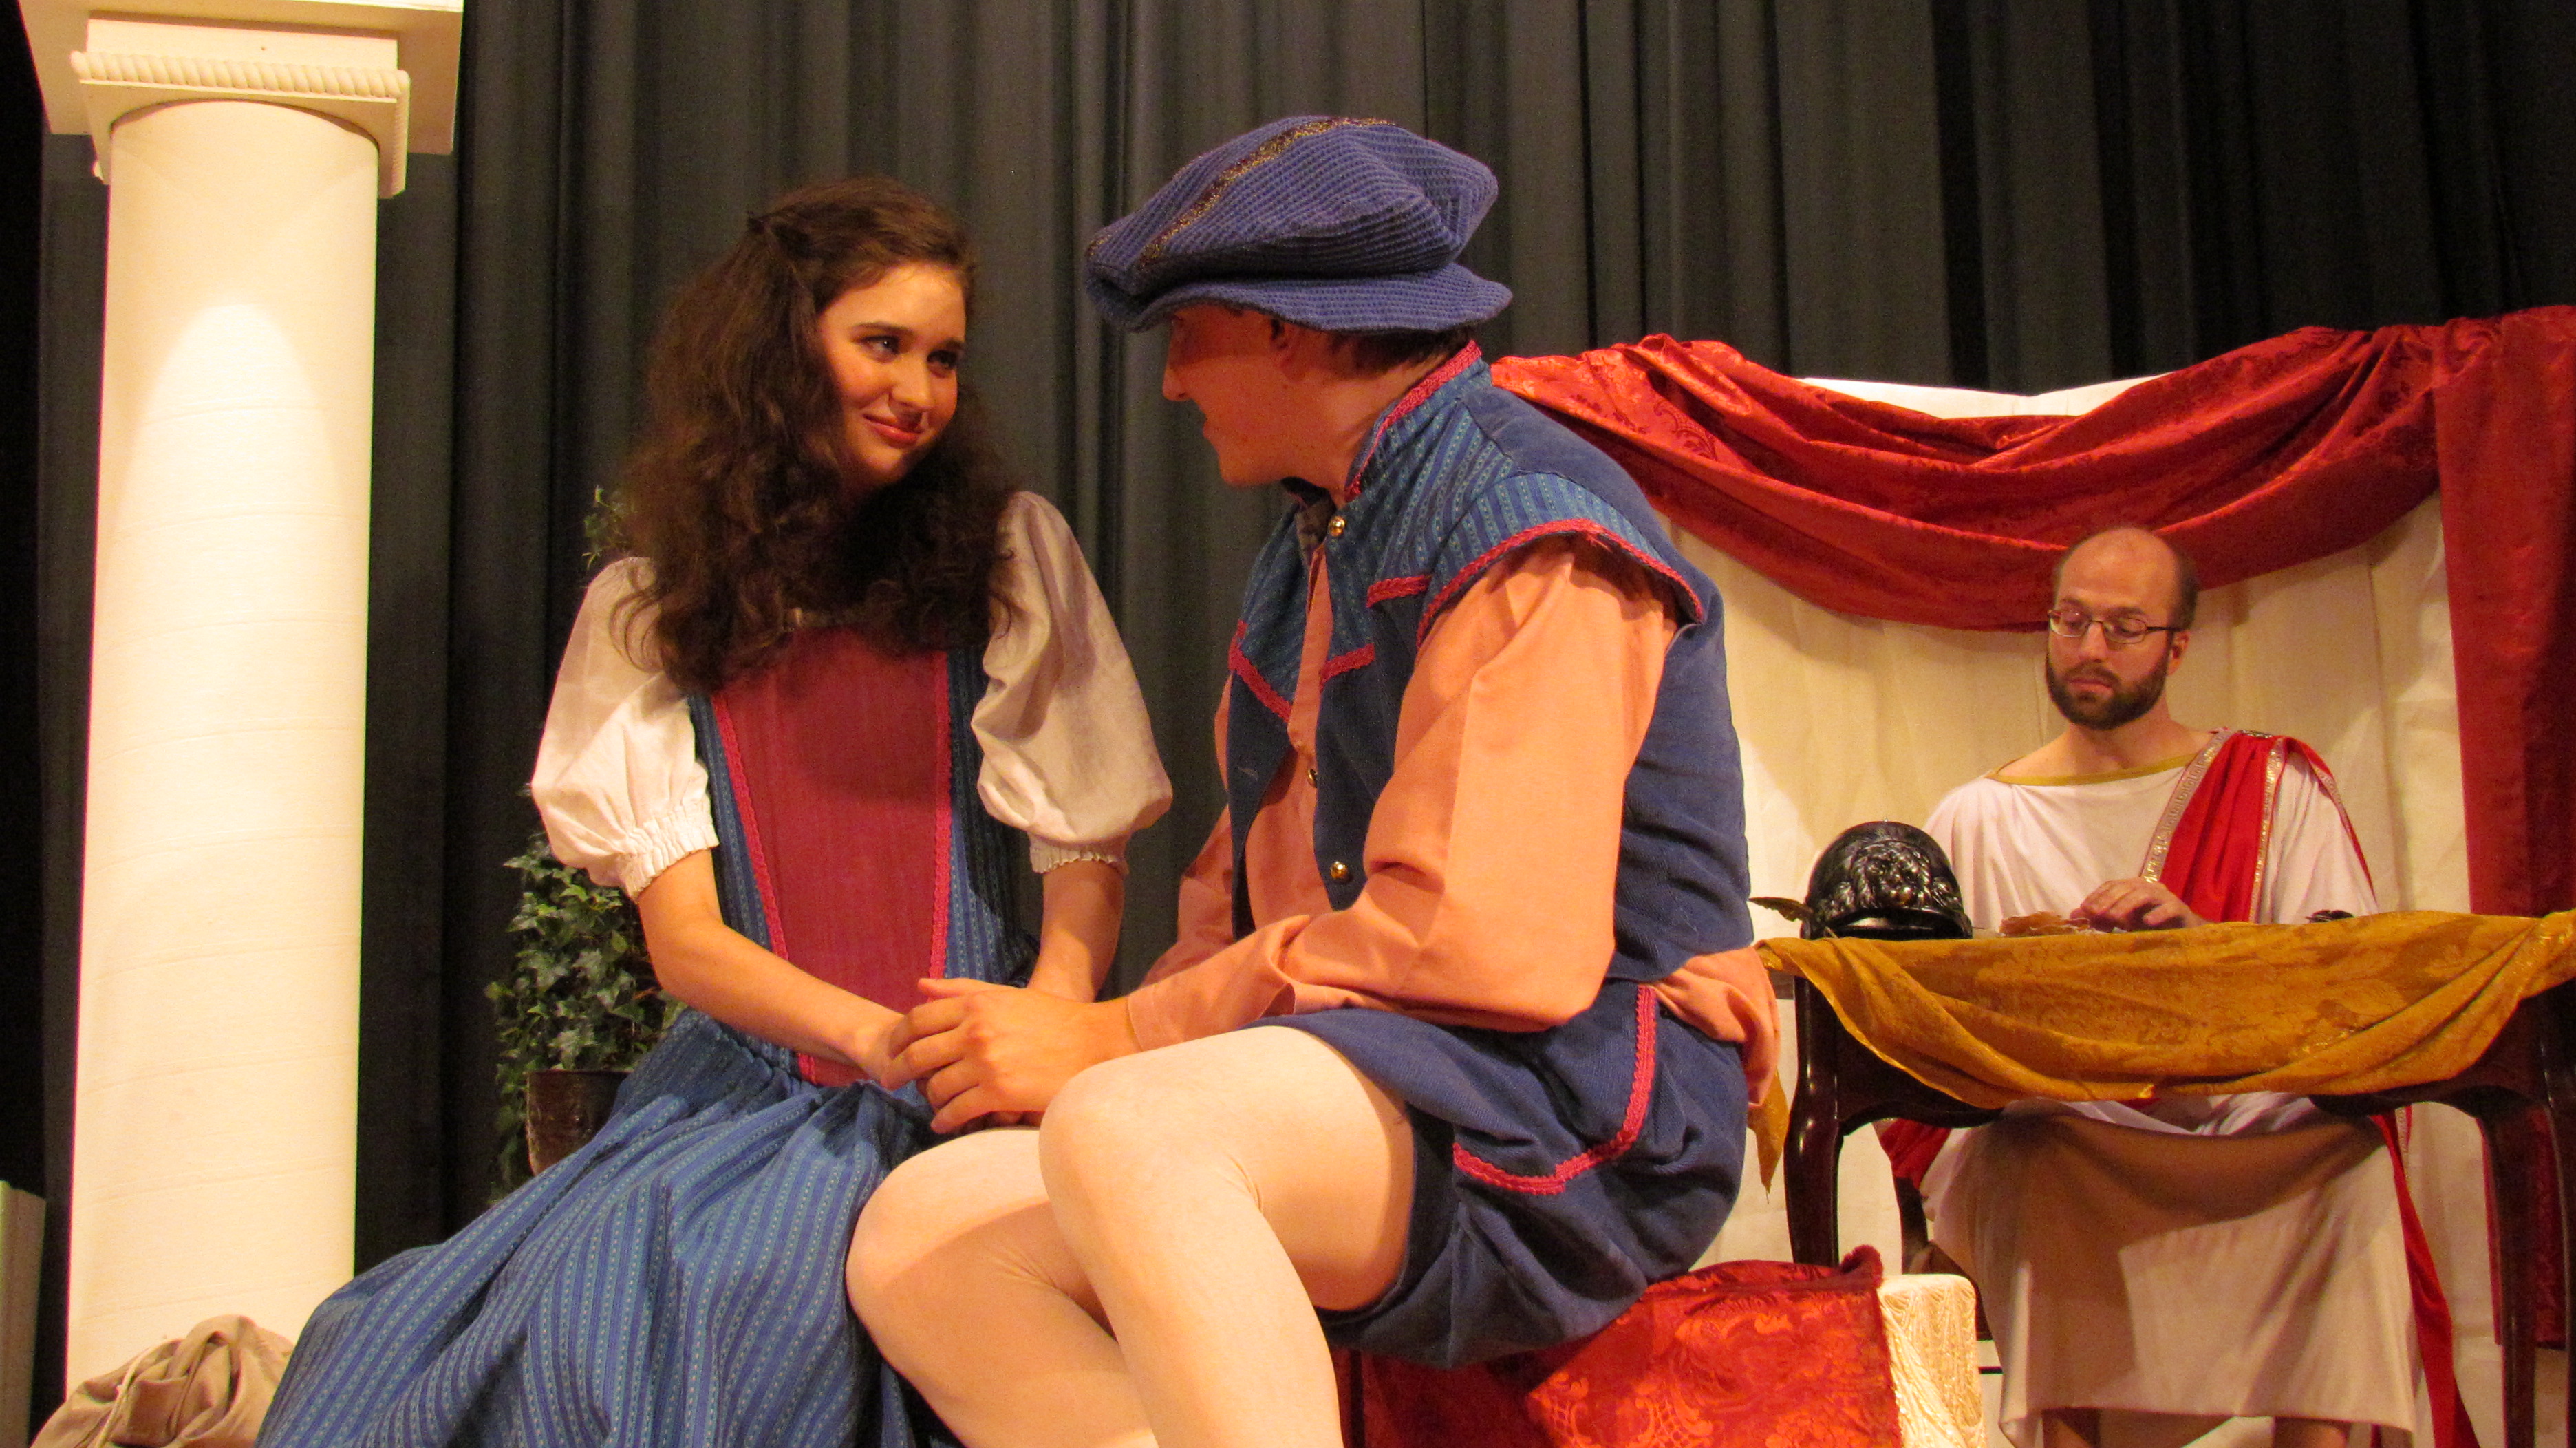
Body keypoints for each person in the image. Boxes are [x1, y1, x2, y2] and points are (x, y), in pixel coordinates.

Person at [843, 116, 1779, 1448]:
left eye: (1187, 335)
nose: (1173, 385)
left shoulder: (1531, 524)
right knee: (923, 1238)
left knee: (1134, 1129)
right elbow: (1245, 897)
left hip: (1575, 1105)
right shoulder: (1313, 544)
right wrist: (1131, 1037)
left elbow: (1485, 947)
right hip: (1394, 1079)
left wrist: (1116, 1038)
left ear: (1289, 330)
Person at [257, 177, 1170, 1448]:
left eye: (944, 357)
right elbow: (686, 942)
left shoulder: (1008, 556)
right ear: (783, 348)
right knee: (533, 1327)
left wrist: (1048, 1022)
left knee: (805, 1306)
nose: (917, 389)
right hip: (753, 1083)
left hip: (974, 1066)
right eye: (882, 344)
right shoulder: (653, 608)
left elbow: (1085, 846)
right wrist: (870, 1038)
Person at [1920, 526, 2415, 1448]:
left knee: (2352, 1159)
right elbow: (1933, 1024)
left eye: (2123, 628)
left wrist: (2204, 946)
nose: (2090, 648)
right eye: (2071, 621)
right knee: (2029, 1154)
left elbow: (2344, 983)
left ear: (2177, 647)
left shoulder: (2275, 786)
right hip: (2076, 1133)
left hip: (2248, 1126)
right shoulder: (1978, 818)